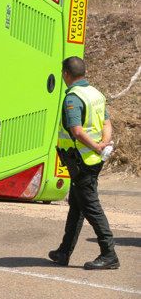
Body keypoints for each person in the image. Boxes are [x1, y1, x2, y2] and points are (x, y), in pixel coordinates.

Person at [48, 56, 119, 270]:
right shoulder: (95, 93)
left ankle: (109, 254)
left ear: (66, 74)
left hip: (82, 160)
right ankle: (63, 252)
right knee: (77, 206)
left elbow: (77, 131)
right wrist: (103, 144)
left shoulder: (73, 98)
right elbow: (107, 122)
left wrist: (96, 147)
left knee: (91, 207)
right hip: (93, 158)